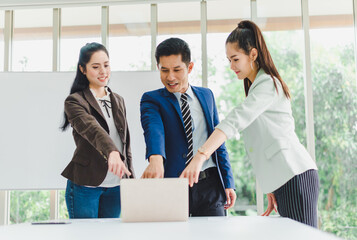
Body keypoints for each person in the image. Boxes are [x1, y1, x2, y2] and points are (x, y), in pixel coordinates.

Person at [180, 20, 319, 227]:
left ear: (253, 54)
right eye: (229, 60)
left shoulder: (268, 83)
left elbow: (235, 120)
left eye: (235, 59)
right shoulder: (257, 87)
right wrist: (272, 185)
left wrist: (200, 156)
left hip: (295, 176)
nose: (231, 66)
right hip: (284, 180)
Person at [140, 38, 236, 216]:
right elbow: (153, 129)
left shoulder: (207, 96)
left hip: (210, 184)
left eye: (177, 70)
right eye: (164, 70)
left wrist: (228, 182)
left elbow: (218, 141)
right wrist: (156, 158)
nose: (170, 77)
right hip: (173, 185)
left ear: (189, 67)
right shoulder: (152, 99)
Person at [60, 42, 135, 219]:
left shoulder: (118, 99)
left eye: (106, 65)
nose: (103, 71)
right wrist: (112, 152)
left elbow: (125, 141)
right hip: (85, 185)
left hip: (116, 185)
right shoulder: (75, 101)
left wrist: (130, 178)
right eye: (95, 66)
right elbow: (92, 129)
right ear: (83, 69)